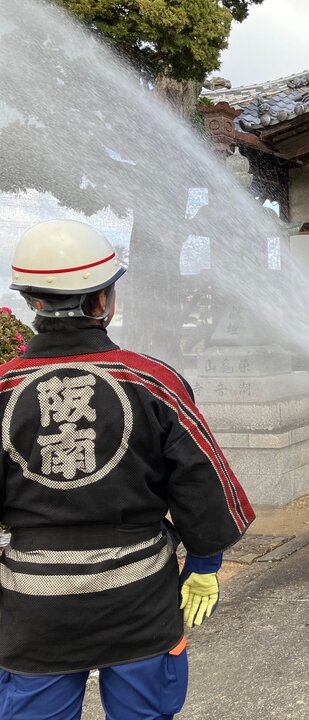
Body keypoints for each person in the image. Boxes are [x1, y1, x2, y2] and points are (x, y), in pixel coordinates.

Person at [0, 219, 255, 718]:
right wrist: (205, 567)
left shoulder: (4, 389)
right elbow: (202, 483)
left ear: (32, 302)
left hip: (34, 609)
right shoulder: (152, 381)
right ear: (102, 301)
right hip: (139, 600)